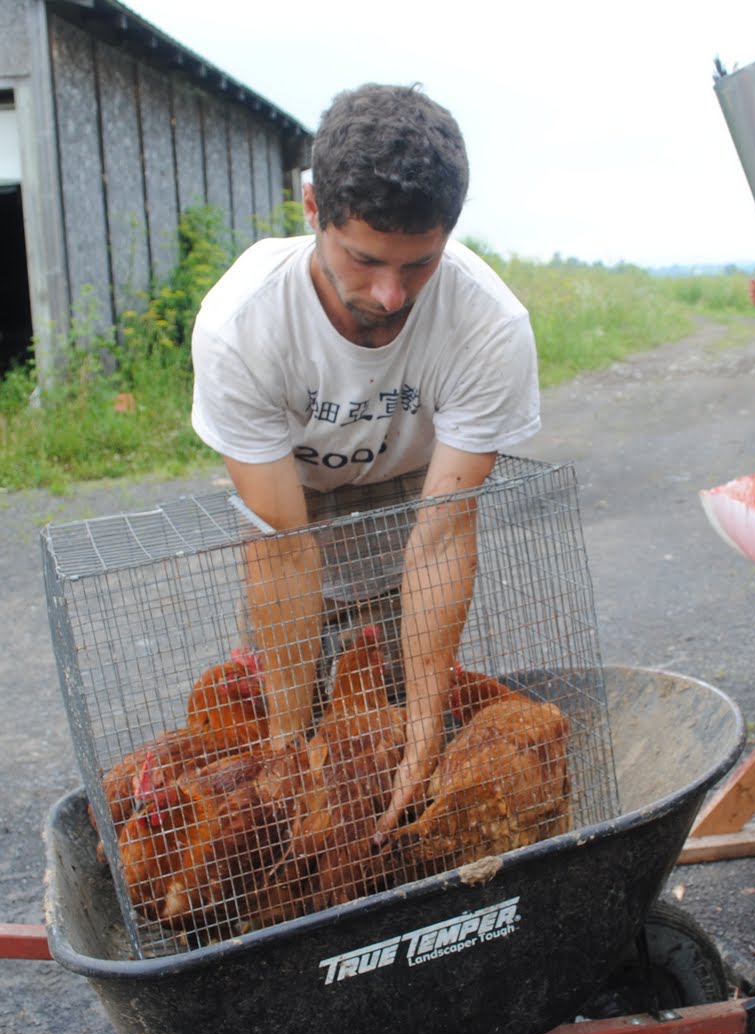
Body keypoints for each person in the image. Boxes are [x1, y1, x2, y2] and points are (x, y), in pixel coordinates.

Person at [189, 83, 541, 841]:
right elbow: (281, 547)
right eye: (365, 259)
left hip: (414, 489)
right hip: (296, 497)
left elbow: (443, 534)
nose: (390, 293)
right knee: (294, 720)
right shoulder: (242, 326)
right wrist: (288, 754)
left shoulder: (488, 326)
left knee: (395, 717)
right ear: (313, 207)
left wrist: (422, 724)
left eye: (420, 264)